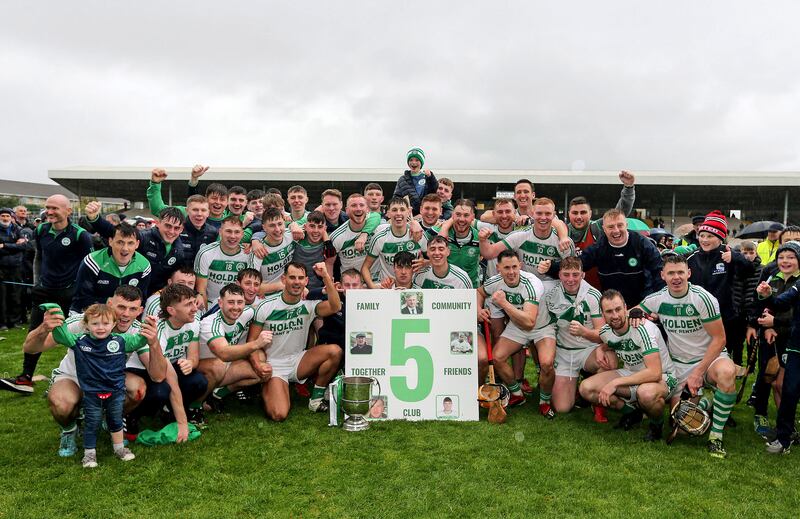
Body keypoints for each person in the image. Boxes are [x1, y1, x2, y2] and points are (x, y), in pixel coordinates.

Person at [21, 286, 168, 454]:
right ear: (110, 303)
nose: (126, 314)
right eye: (121, 307)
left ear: (140, 310)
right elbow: (30, 348)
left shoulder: (136, 330)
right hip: (73, 377)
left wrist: (154, 343)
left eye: (133, 309)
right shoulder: (84, 321)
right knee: (62, 403)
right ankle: (69, 430)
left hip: (109, 380)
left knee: (138, 389)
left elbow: (158, 376)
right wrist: (43, 328)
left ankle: (109, 417)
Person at [637, 254, 737, 458]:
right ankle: (706, 401)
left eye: (681, 272)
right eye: (671, 273)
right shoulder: (657, 299)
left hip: (709, 360)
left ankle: (716, 437)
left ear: (688, 273)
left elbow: (719, 339)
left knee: (727, 373)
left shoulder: (703, 298)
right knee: (682, 425)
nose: (676, 277)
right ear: (662, 275)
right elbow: (634, 311)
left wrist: (698, 373)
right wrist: (639, 315)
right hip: (679, 365)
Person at [0, 195, 94, 394]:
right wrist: (37, 283)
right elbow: (39, 258)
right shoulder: (41, 230)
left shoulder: (80, 235)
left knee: (80, 334)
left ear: (68, 211)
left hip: (70, 293)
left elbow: (89, 266)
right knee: (36, 331)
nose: (49, 212)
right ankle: (25, 378)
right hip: (44, 291)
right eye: (47, 208)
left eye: (54, 208)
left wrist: (82, 292)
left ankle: (84, 380)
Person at [51, 303, 158, 468]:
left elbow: (138, 341)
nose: (101, 328)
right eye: (95, 324)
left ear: (113, 324)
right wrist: (57, 313)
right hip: (92, 393)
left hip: (115, 391)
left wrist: (149, 326)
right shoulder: (80, 341)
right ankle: (89, 454)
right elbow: (61, 336)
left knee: (115, 421)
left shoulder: (121, 340)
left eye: (106, 323)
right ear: (86, 325)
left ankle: (120, 449)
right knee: (92, 423)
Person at [247, 262, 342, 420]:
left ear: (306, 281)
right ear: (284, 279)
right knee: (279, 414)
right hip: (274, 365)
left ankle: (316, 399)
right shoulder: (265, 306)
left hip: (299, 361)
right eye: (292, 278)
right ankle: (267, 387)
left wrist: (325, 276)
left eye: (300, 278)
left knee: (335, 351)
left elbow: (335, 306)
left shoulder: (309, 305)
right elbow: (251, 342)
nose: (296, 282)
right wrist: (259, 366)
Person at [580, 290, 677, 441]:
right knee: (586, 389)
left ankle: (656, 425)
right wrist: (601, 348)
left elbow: (654, 373)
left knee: (646, 393)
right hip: (631, 373)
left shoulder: (642, 328)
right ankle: (631, 412)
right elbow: (616, 341)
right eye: (609, 311)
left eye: (618, 309)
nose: (615, 315)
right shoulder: (606, 332)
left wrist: (615, 383)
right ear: (602, 314)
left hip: (662, 378)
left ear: (626, 308)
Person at [125, 283, 207, 437]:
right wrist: (183, 424)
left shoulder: (193, 322)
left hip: (167, 367)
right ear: (171, 310)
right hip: (144, 370)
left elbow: (194, 356)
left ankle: (168, 411)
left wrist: (190, 363)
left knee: (199, 381)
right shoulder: (159, 329)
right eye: (188, 304)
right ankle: (132, 415)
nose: (195, 308)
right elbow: (168, 377)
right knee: (160, 392)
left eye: (193, 303)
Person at [540, 258, 608, 420]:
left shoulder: (592, 294)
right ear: (559, 275)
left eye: (575, 275)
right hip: (564, 352)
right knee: (562, 408)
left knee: (607, 361)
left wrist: (584, 332)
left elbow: (602, 333)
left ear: (583, 275)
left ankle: (597, 402)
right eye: (566, 275)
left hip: (588, 349)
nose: (571, 279)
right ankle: (575, 389)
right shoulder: (551, 293)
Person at [687, 211, 754, 372]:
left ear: (720, 237)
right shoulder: (691, 258)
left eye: (709, 236)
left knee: (727, 350)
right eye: (702, 235)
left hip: (726, 315)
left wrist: (737, 258)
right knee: (701, 351)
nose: (704, 239)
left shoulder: (730, 255)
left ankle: (726, 376)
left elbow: (750, 271)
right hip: (698, 315)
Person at [476, 250, 543, 408]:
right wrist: (478, 309)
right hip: (517, 323)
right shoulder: (495, 281)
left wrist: (504, 303)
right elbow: (479, 292)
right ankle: (517, 392)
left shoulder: (531, 284)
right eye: (506, 268)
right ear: (498, 268)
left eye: (514, 267)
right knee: (497, 356)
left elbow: (529, 322)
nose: (511, 272)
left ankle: (544, 390)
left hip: (540, 325)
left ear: (520, 265)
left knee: (546, 361)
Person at [197, 283, 272, 416]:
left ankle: (217, 393)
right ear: (220, 303)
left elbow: (265, 307)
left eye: (240, 302)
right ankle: (195, 406)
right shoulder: (211, 323)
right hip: (200, 369)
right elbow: (223, 353)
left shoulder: (247, 312)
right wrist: (256, 343)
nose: (236, 307)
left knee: (263, 368)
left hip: (227, 366)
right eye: (231, 302)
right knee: (218, 366)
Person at [751, 242, 800, 442]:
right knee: (773, 380)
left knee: (784, 384)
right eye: (781, 257)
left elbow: (795, 316)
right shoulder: (773, 278)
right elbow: (765, 305)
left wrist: (775, 322)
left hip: (793, 339)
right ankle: (783, 427)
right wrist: (768, 325)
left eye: (791, 257)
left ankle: (786, 428)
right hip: (773, 337)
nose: (785, 261)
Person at [85, 203, 185, 296]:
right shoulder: (144, 237)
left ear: (181, 229)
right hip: (130, 294)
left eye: (176, 228)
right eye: (168, 226)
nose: (172, 231)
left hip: (155, 297)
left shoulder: (179, 251)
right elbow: (115, 232)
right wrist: (95, 219)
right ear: (158, 223)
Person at [479, 197, 576, 293]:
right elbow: (489, 252)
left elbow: (573, 273)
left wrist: (552, 267)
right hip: (526, 290)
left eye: (548, 214)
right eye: (539, 213)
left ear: (554, 215)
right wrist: (483, 240)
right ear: (532, 214)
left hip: (553, 292)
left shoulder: (564, 241)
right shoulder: (520, 236)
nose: (543, 217)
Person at [579, 208, 664, 307]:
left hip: (641, 305)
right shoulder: (599, 248)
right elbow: (575, 266)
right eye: (610, 227)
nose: (616, 231)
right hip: (611, 306)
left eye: (620, 225)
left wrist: (657, 304)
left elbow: (660, 274)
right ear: (604, 229)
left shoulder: (642, 244)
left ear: (626, 225)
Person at [567, 171, 636, 288]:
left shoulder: (598, 227)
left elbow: (619, 212)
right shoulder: (560, 231)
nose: (579, 217)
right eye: (575, 213)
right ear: (569, 214)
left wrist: (628, 188)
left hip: (599, 292)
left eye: (583, 212)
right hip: (568, 292)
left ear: (590, 214)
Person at [70, 222, 151, 314]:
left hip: (122, 314)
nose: (125, 248)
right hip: (87, 313)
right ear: (110, 241)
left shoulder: (144, 265)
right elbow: (81, 300)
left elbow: (141, 301)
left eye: (130, 243)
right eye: (120, 242)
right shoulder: (92, 261)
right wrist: (112, 303)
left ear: (137, 244)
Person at [361, 198, 427, 288]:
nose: (398, 213)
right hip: (388, 287)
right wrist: (373, 287)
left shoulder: (418, 234)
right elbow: (365, 268)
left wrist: (426, 262)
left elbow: (435, 260)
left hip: (413, 287)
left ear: (408, 212)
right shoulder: (380, 238)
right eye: (394, 210)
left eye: (402, 210)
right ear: (388, 213)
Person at [194, 215, 249, 309]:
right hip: (211, 303)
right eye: (228, 231)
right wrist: (207, 314)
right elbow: (201, 289)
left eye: (237, 232)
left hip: (237, 305)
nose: (233, 236)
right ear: (220, 232)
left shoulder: (248, 254)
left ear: (242, 234)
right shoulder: (206, 253)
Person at [329, 193, 381, 282]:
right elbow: (329, 263)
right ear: (346, 210)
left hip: (377, 283)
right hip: (352, 286)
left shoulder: (379, 228)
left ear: (367, 209)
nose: (358, 209)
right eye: (353, 205)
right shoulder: (336, 237)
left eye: (361, 205)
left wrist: (363, 235)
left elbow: (377, 216)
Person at [436, 199, 487, 287]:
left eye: (466, 215)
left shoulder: (480, 238)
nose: (461, 219)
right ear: (452, 216)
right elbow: (421, 241)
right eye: (458, 214)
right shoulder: (440, 231)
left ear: (472, 217)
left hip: (470, 290)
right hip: (445, 288)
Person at [249, 207, 295, 295]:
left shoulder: (291, 235)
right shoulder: (259, 249)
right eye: (272, 225)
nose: (277, 229)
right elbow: (251, 286)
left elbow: (313, 230)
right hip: (266, 296)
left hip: (289, 291)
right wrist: (280, 286)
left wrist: (294, 225)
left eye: (280, 224)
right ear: (264, 227)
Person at [392, 147, 438, 215]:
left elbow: (435, 190)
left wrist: (431, 177)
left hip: (426, 214)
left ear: (421, 162)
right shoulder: (402, 179)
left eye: (417, 160)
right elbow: (396, 198)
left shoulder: (427, 176)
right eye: (411, 160)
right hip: (410, 216)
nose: (413, 163)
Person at [0, 207, 25, 330]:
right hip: (1, 268)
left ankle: (14, 321)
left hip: (16, 267)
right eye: (3, 216)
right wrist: (15, 245)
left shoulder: (17, 229)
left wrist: (4, 245)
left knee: (15, 295)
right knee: (2, 296)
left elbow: (24, 246)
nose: (5, 218)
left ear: (11, 217)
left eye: (7, 216)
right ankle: (2, 323)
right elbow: (17, 246)